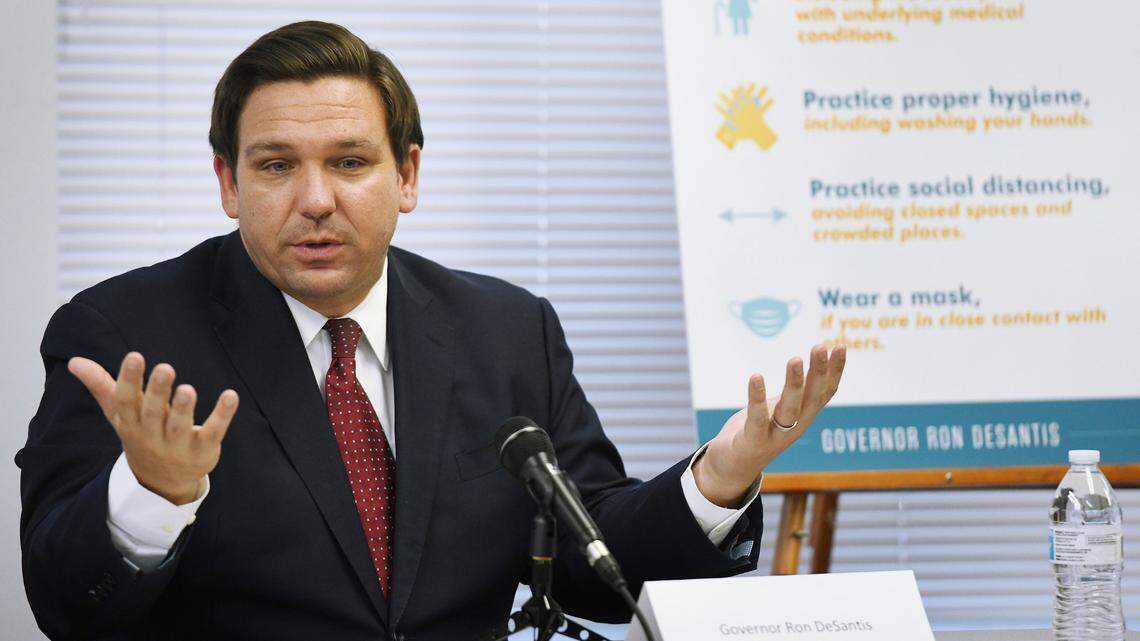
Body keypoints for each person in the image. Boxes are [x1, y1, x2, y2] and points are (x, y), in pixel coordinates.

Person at [18, 21, 845, 641]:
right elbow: (63, 605)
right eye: (276, 166)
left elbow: (597, 571)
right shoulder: (123, 335)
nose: (314, 199)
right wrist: (150, 496)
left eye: (349, 162)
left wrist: (718, 478)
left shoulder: (507, 329)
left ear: (406, 174)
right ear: (228, 184)